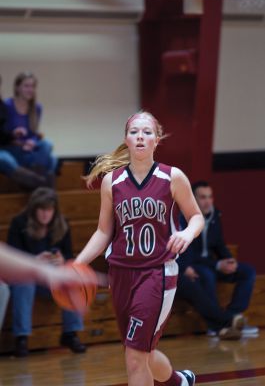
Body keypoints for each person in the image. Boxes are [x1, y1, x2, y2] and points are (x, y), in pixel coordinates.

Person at [75, 111, 205, 386]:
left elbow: (196, 216)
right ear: (126, 139)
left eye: (147, 132)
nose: (140, 137)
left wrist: (187, 233)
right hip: (121, 274)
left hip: (156, 273)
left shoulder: (172, 177)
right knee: (141, 352)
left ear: (157, 140)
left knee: (135, 356)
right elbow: (103, 231)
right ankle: (178, 382)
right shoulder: (113, 182)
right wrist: (79, 263)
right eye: (134, 132)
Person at [7, 187, 87, 357]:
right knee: (24, 282)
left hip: (51, 279)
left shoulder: (62, 224)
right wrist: (34, 261)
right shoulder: (19, 223)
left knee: (70, 277)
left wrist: (61, 260)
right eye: (41, 210)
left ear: (54, 211)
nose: (45, 214)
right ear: (33, 209)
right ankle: (21, 338)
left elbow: (68, 256)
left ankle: (70, 334)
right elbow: (12, 259)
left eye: (49, 210)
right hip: (26, 276)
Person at [178, 180, 258, 339]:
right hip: (195, 265)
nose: (208, 201)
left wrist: (229, 259)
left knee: (247, 271)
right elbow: (190, 255)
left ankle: (233, 317)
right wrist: (217, 264)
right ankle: (216, 325)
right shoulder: (183, 218)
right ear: (193, 199)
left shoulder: (215, 215)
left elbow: (219, 244)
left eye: (210, 197)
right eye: (202, 197)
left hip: (211, 263)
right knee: (207, 274)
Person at [2, 72, 57, 188]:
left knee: (48, 146)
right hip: (12, 147)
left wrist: (32, 141)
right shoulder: (6, 105)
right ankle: (41, 185)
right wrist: (18, 140)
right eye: (26, 86)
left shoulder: (37, 108)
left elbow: (34, 133)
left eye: (33, 86)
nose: (30, 89)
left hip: (28, 150)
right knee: (4, 159)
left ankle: (38, 179)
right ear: (17, 87)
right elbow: (2, 134)